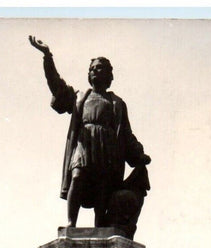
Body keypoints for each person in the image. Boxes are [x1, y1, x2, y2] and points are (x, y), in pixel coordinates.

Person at [28, 36, 151, 227]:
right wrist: (47, 57)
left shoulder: (116, 103)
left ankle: (100, 226)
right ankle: (71, 223)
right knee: (77, 177)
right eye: (92, 69)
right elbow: (57, 87)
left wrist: (139, 154)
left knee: (104, 188)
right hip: (84, 145)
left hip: (107, 150)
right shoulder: (80, 97)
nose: (94, 71)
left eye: (99, 68)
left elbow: (126, 134)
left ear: (109, 75)